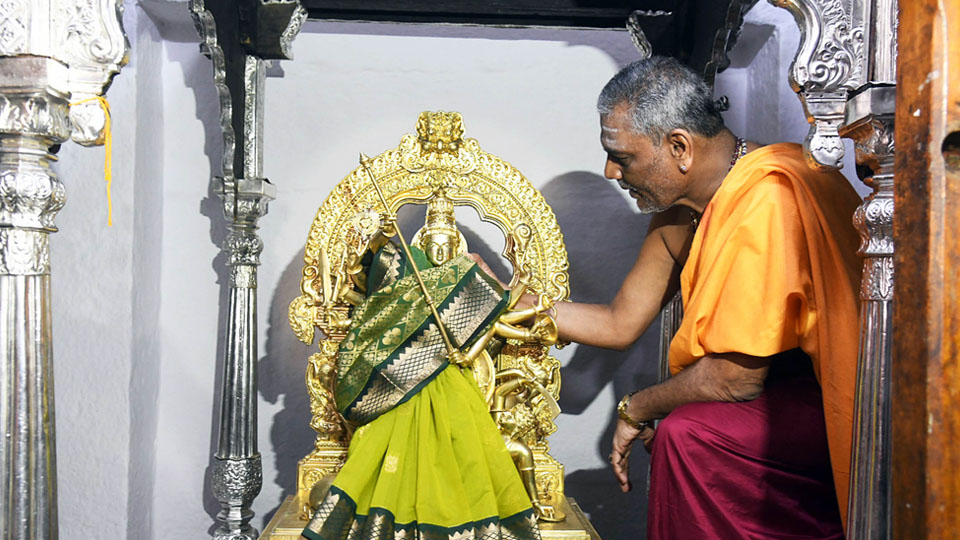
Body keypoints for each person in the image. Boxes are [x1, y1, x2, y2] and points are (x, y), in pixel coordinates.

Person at [476, 56, 861, 538]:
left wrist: (636, 407)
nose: (612, 172)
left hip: (830, 403)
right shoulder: (680, 215)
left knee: (684, 433)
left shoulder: (770, 196)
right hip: (759, 402)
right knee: (679, 430)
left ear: (680, 147)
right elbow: (619, 322)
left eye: (624, 157)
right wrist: (505, 300)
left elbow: (735, 379)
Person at [301, 197, 548, 540]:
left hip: (454, 384)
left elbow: (499, 320)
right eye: (434, 244)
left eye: (448, 245)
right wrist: (378, 236)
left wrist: (506, 296)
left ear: (458, 247)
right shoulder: (404, 270)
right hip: (395, 392)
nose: (441, 251)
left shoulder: (464, 284)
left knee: (467, 459)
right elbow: (371, 303)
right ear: (421, 245)